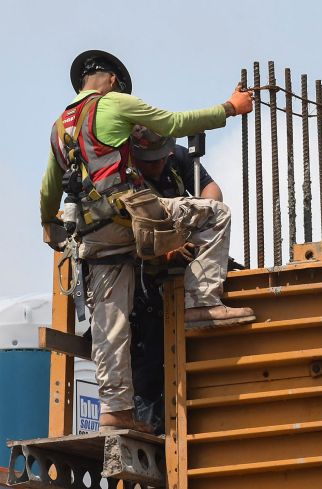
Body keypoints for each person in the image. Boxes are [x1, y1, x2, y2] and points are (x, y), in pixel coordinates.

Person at [40, 50, 256, 431]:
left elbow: (49, 187)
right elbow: (173, 122)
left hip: (92, 236)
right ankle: (200, 303)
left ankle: (115, 412)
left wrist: (46, 222)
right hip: (129, 218)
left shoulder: (60, 127)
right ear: (111, 80)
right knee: (214, 213)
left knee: (110, 324)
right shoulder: (113, 103)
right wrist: (230, 107)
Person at [128, 126, 225, 433]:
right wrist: (165, 252)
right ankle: (153, 439)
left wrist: (199, 221)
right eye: (150, 160)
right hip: (142, 290)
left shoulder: (178, 159)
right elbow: (124, 241)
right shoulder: (123, 180)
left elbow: (212, 193)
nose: (157, 165)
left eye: (161, 158)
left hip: (176, 282)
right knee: (148, 378)